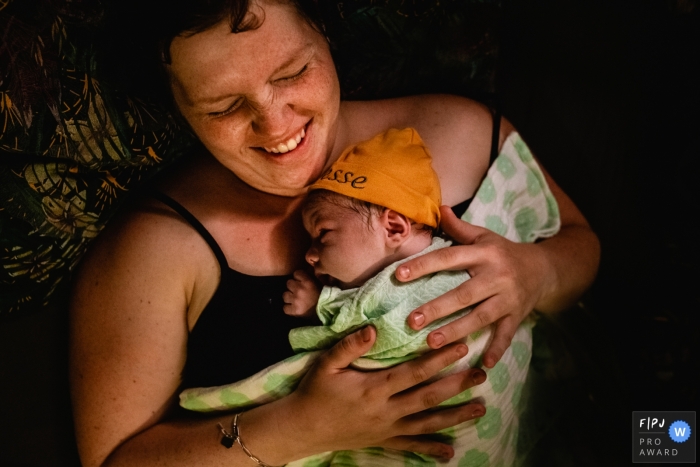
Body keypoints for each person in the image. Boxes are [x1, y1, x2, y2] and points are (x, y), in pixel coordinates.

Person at [69, 1, 601, 466]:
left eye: (293, 72)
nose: (276, 125)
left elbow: (582, 245)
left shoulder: (458, 130)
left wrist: (537, 272)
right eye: (224, 107)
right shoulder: (156, 250)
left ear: (323, 30)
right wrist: (298, 428)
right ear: (177, 104)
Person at [179, 126, 561, 466]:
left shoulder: (442, 274)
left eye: (322, 234)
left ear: (393, 226)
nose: (309, 255)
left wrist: (320, 307)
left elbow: (384, 334)